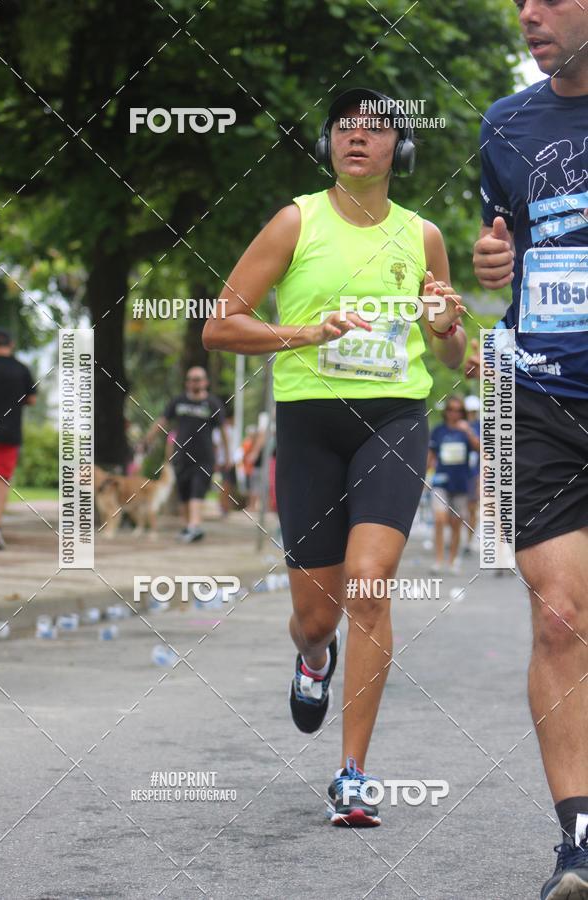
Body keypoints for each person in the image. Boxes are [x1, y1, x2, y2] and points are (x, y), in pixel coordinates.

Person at [203, 87, 468, 827]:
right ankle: (313, 659)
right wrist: (307, 333)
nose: (357, 136)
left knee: (370, 586)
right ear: (327, 145)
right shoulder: (296, 221)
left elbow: (451, 356)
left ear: (398, 150)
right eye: (344, 126)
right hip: (311, 427)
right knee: (316, 618)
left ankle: (353, 774)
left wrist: (447, 328)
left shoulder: (423, 236)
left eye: (375, 128)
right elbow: (220, 327)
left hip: (394, 419)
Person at [472, 3, 588, 895]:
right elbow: (503, 239)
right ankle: (578, 841)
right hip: (539, 392)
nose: (527, 14)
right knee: (558, 616)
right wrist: (490, 263)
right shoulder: (504, 124)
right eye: (519, 0)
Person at [144, 366, 230, 543]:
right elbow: (162, 421)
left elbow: (223, 431)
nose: (193, 383)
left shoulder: (213, 403)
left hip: (204, 457)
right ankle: (189, 527)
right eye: (190, 379)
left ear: (205, 382)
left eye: (197, 379)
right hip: (181, 456)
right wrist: (147, 439)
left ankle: (194, 526)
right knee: (184, 494)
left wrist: (227, 455)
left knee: (197, 491)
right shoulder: (178, 401)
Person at [0, 328, 37, 550]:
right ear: (12, 344)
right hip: (9, 433)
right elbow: (32, 399)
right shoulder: (22, 370)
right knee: (1, 478)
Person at [427, 395, 480, 574]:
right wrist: (422, 477)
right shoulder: (438, 430)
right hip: (440, 481)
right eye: (450, 409)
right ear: (446, 411)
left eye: (458, 410)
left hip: (461, 483)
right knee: (439, 519)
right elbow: (431, 455)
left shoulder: (468, 430)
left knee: (456, 523)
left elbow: (480, 449)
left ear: (463, 413)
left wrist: (468, 431)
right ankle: (438, 560)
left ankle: (452, 560)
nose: (454, 413)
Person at [463, 394, 481, 555]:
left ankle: (469, 540)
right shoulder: (457, 424)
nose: (471, 414)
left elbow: (481, 447)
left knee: (472, 508)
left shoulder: (480, 426)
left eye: (473, 411)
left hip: (475, 473)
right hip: (459, 472)